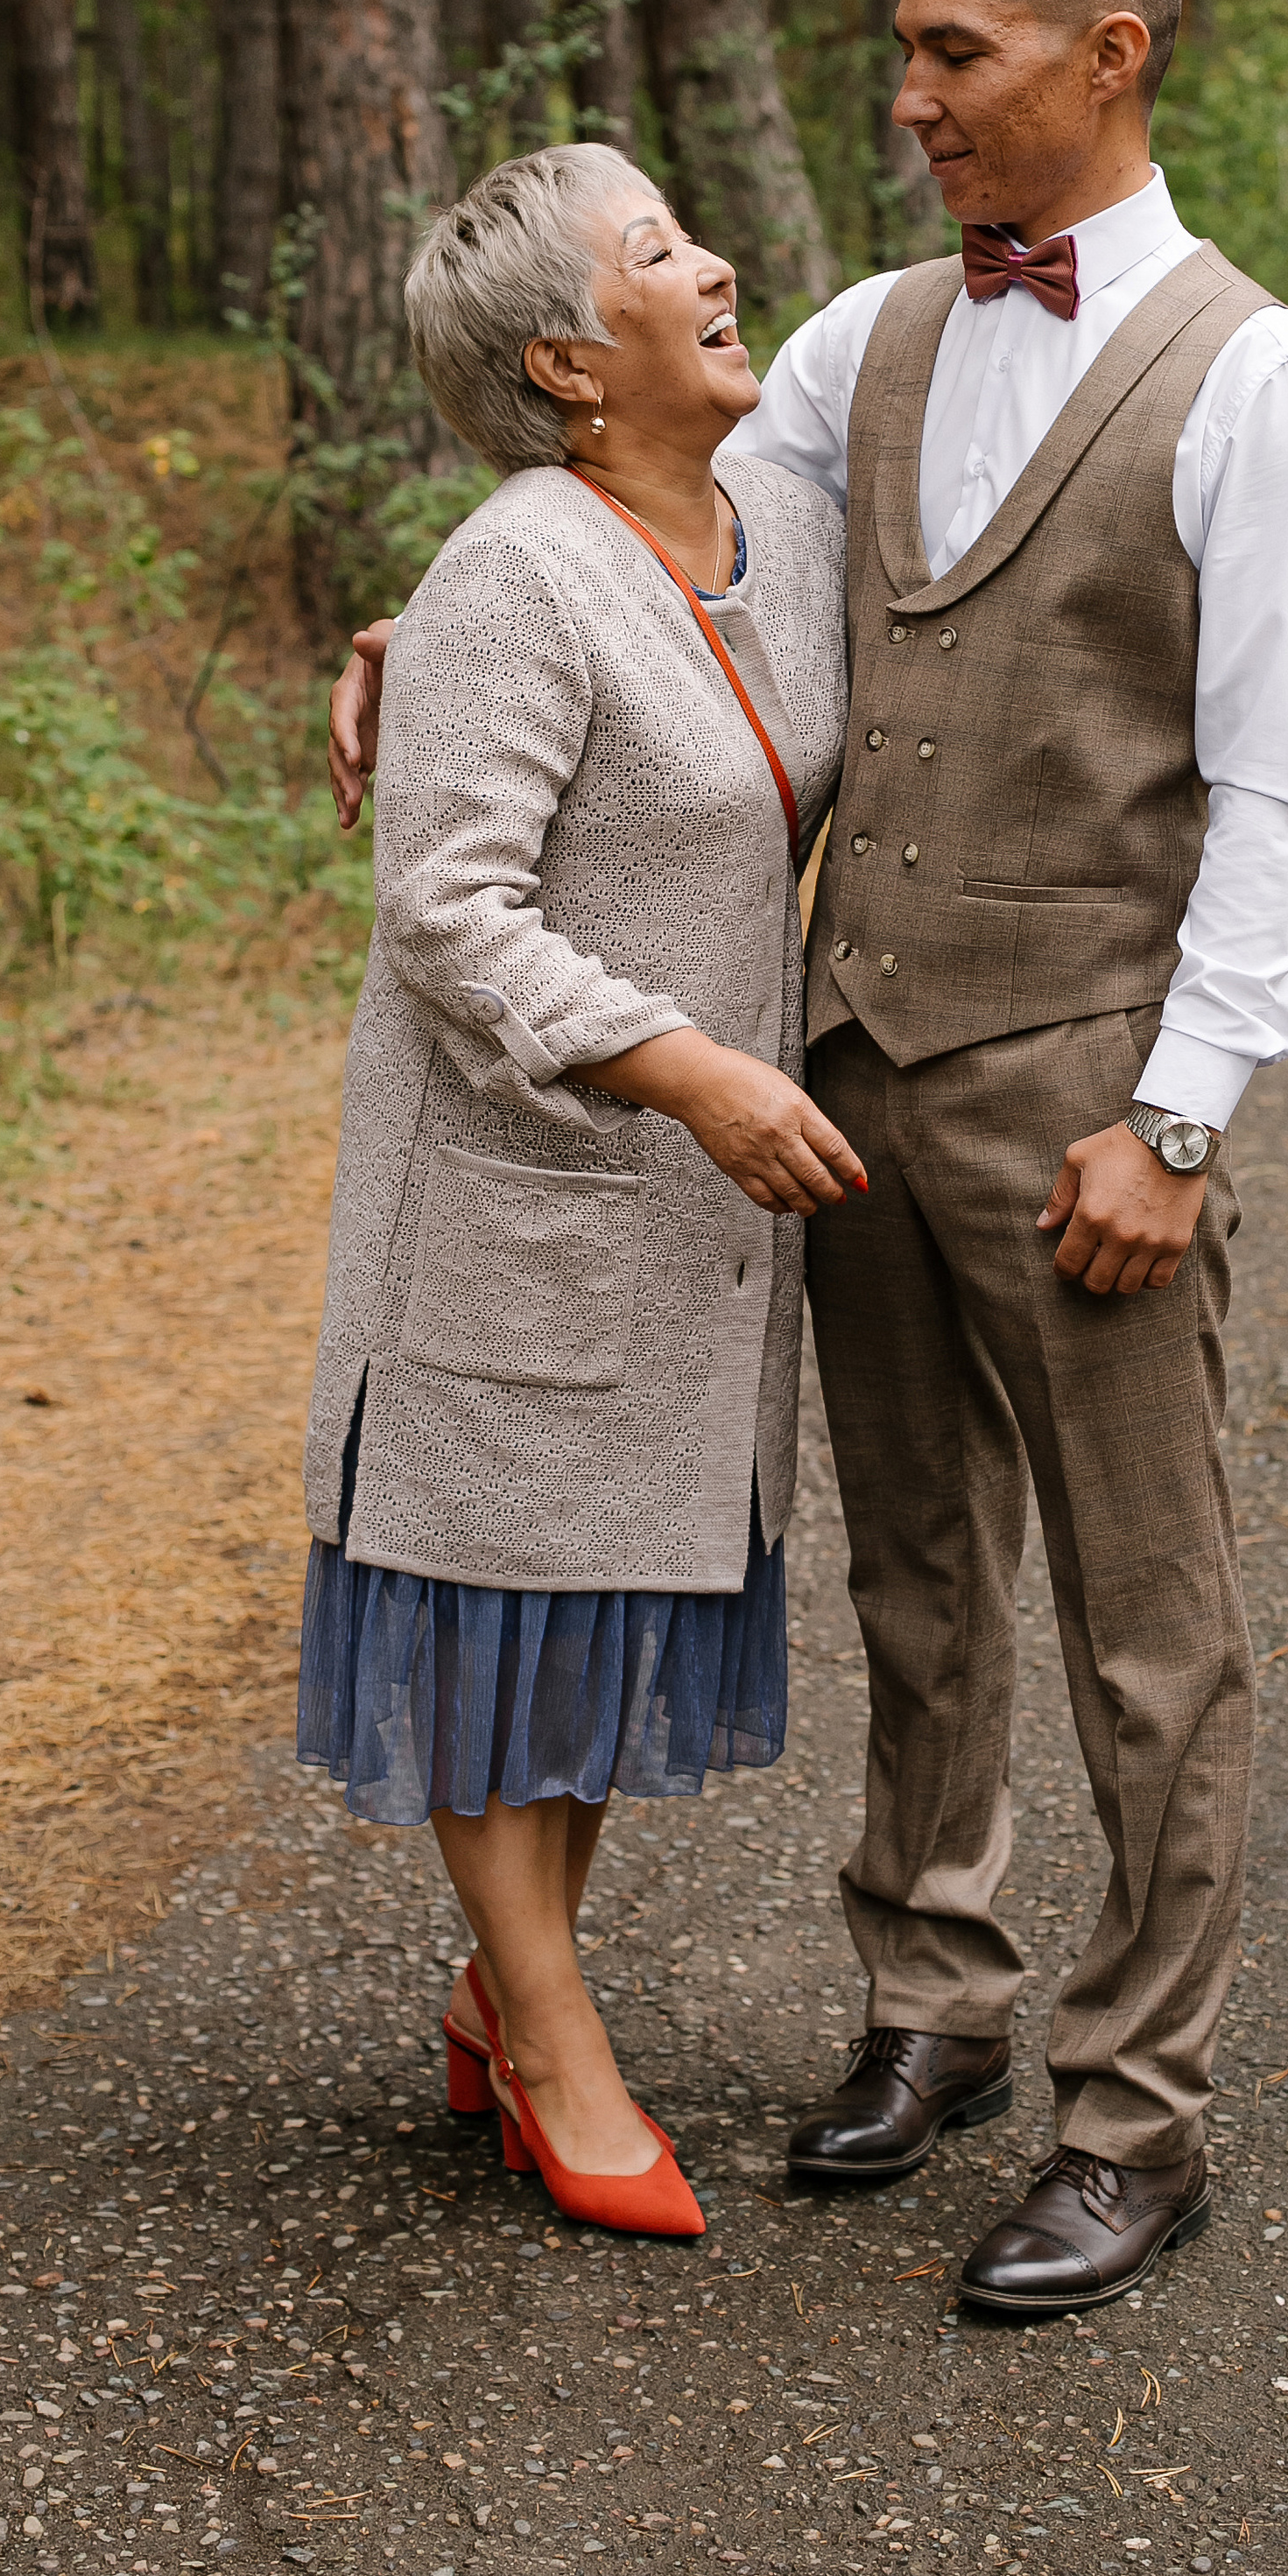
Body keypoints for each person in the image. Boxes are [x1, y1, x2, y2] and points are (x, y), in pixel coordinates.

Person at [332, 0, 1288, 2316]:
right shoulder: (867, 344)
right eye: (903, 51)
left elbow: (1285, 791)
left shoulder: (1259, 378)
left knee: (1150, 1623)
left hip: (1090, 1100)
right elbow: (639, 539)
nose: (907, 103)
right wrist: (421, 616)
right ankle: (937, 2005)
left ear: (1110, 56)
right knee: (915, 1574)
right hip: (853, 1074)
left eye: (955, 56)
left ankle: (1142, 2111)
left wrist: (1183, 1112)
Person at [300, 140, 857, 2241]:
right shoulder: (512, 570)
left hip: (689, 1213)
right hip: (529, 1175)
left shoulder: (779, 522)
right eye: (655, 252)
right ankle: (549, 2042)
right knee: (487, 1614)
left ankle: (492, 1990)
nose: (710, 262)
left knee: (603, 1614)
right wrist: (693, 1067)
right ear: (564, 357)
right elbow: (443, 912)